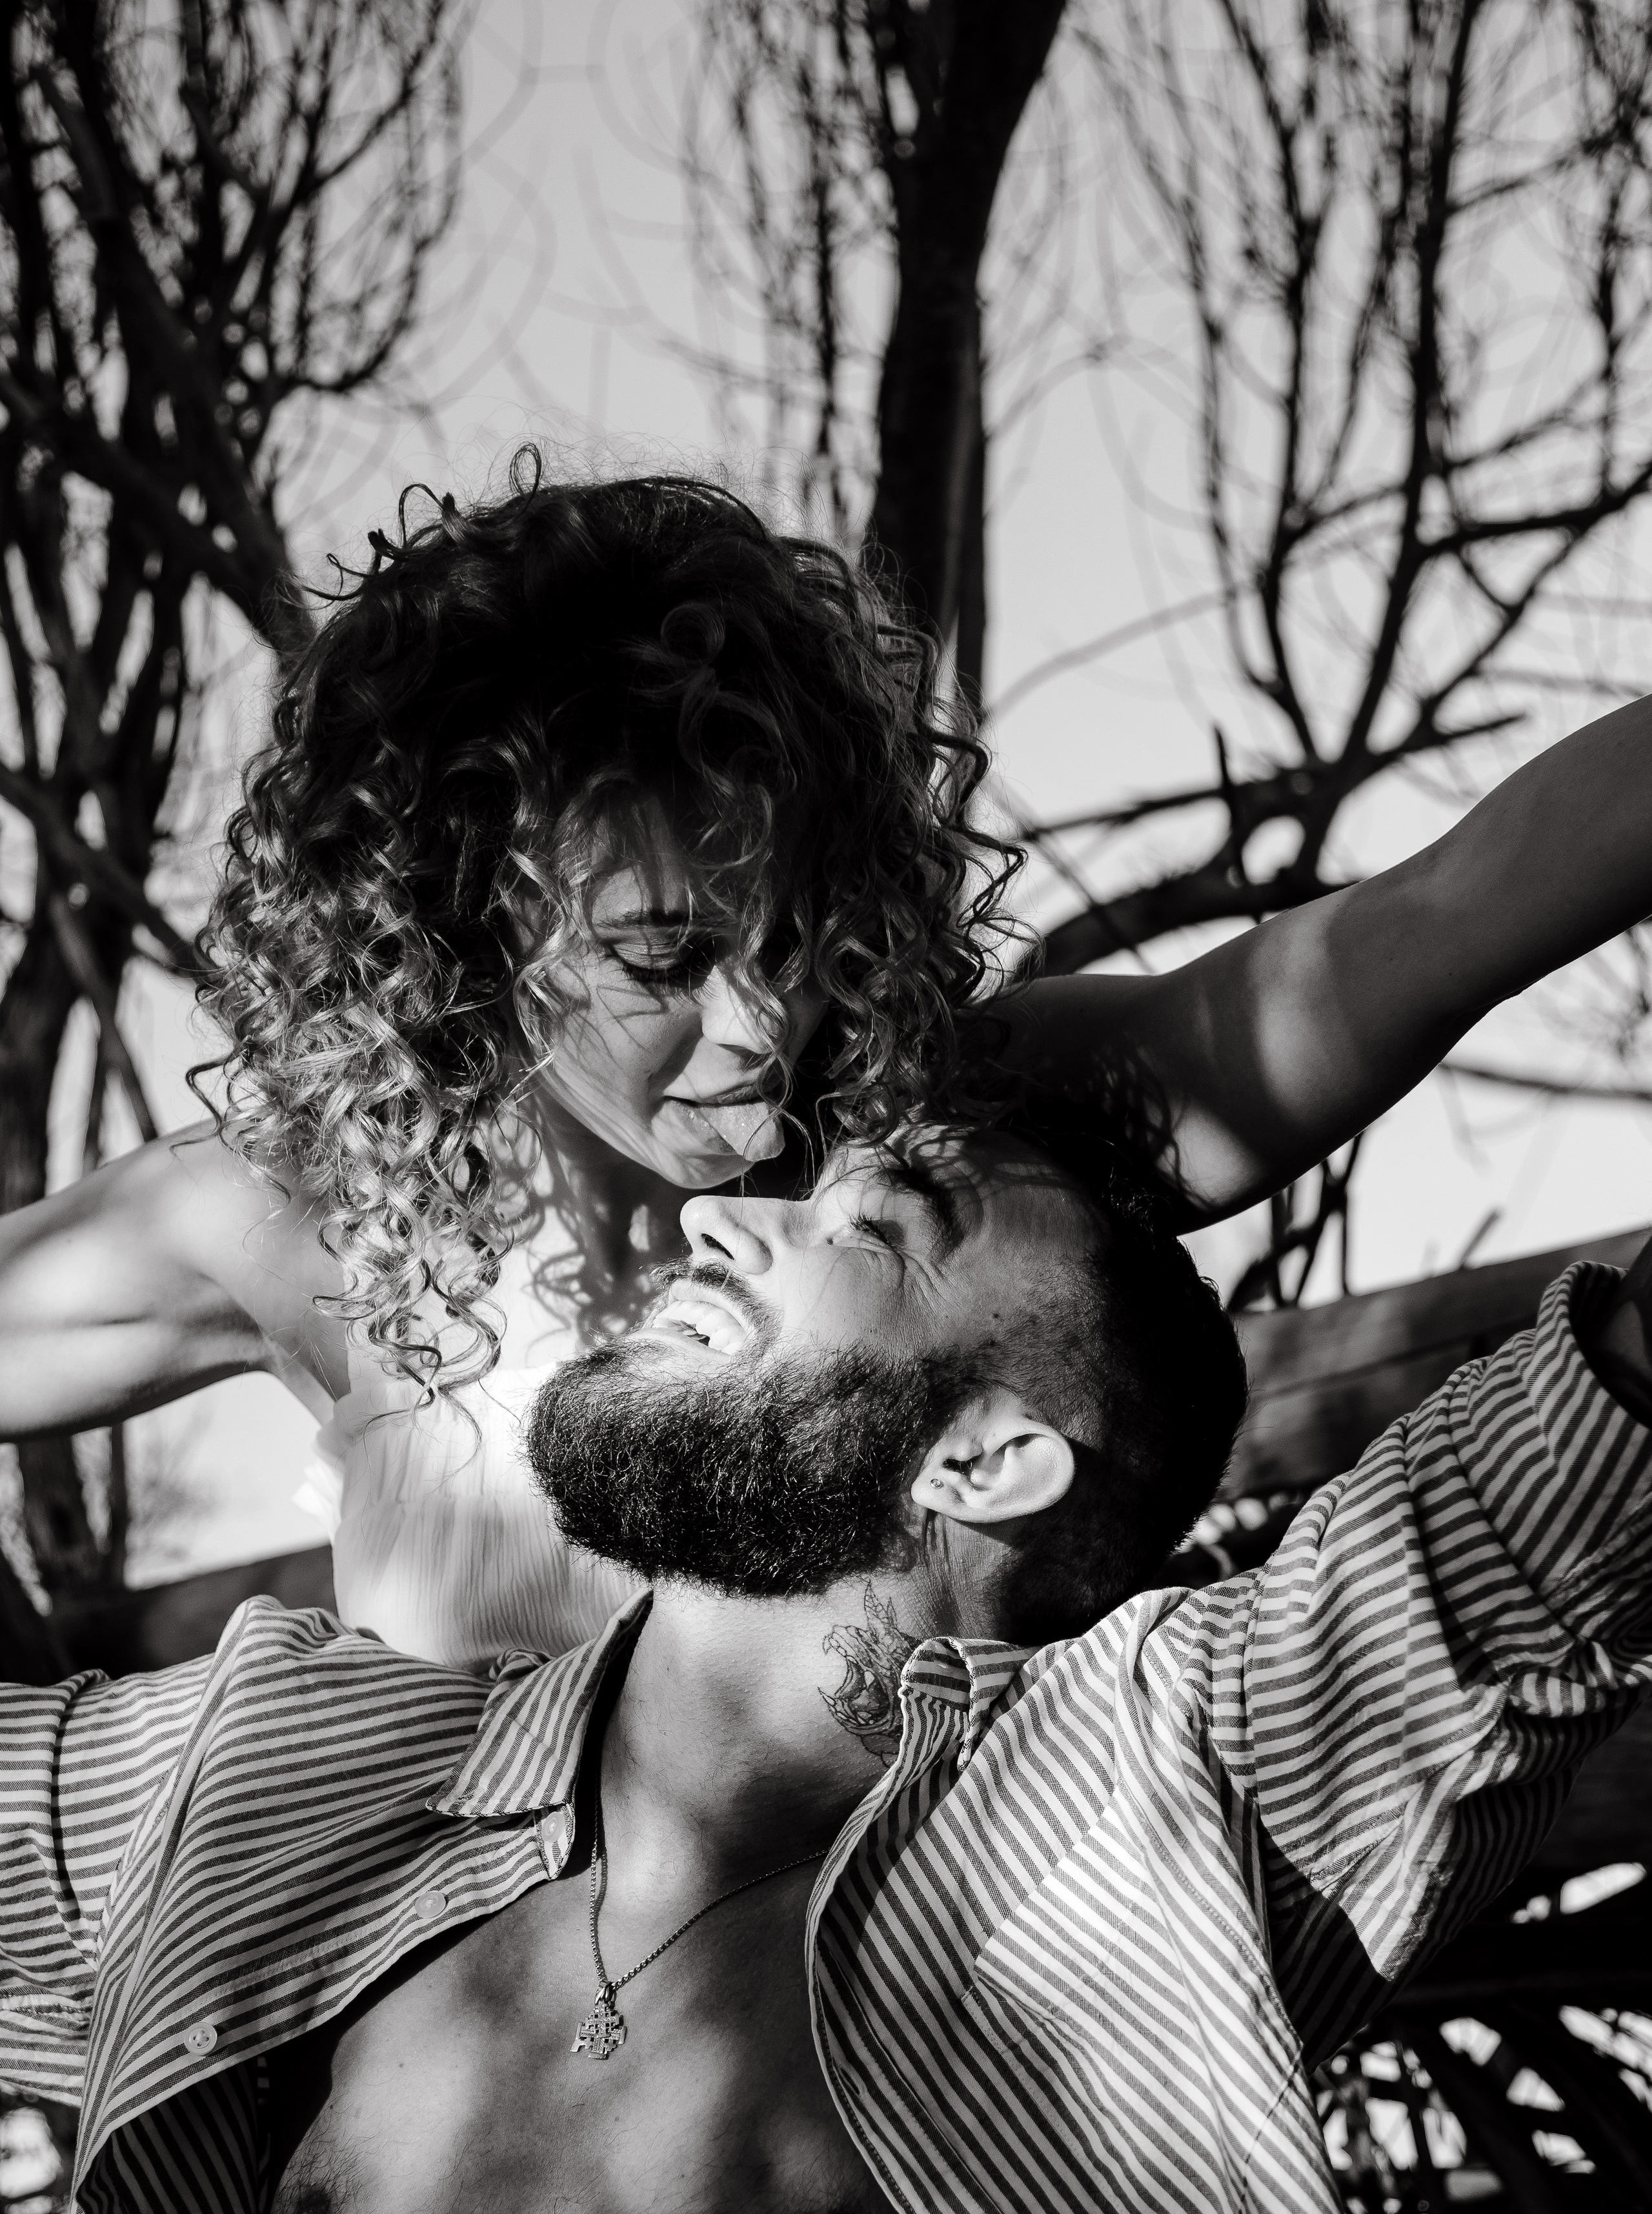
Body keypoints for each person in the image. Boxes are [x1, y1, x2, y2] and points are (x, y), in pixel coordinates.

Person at [3, 1119, 1648, 2214]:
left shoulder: (1159, 1796)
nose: (717, 1214)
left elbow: (1546, 1494)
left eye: (871, 1228)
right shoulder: (279, 1779)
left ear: (984, 1463)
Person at [4, 456, 1652, 1668]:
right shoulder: (305, 1231)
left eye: (790, 936)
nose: (757, 1028)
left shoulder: (943, 1150)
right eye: (662, 958)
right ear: (456, 930)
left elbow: (1439, 916)